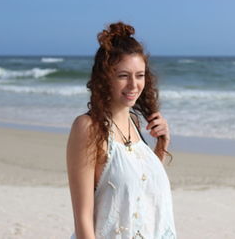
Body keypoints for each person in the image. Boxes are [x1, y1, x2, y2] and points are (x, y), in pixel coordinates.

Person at [67, 22, 176, 238]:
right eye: (123, 75)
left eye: (140, 75)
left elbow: (142, 191)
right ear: (105, 77)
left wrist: (162, 145)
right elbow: (83, 219)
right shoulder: (88, 127)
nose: (134, 85)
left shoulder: (134, 123)